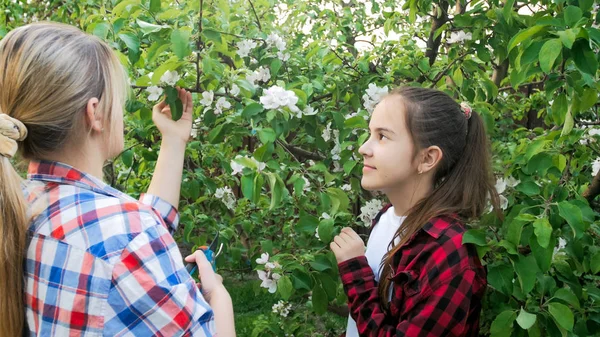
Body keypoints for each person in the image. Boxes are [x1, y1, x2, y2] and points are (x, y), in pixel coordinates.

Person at [0, 22, 235, 336]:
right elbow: (130, 241)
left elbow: (134, 233)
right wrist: (218, 298)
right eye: (118, 101)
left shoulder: (20, 203)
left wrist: (173, 140)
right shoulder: (126, 237)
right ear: (94, 113)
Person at [330, 87, 499, 336]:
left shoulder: (449, 251)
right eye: (369, 134)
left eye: (383, 136)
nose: (363, 149)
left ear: (428, 158)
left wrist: (356, 273)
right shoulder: (387, 217)